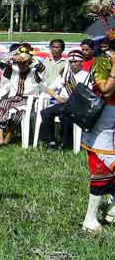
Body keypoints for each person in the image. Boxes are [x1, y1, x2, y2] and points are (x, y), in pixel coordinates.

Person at [80, 39, 115, 233]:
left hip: (113, 122)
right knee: (102, 169)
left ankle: (112, 209)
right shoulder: (103, 61)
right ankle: (90, 219)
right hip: (102, 124)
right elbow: (106, 91)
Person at [0, 44, 45, 148]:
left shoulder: (35, 72)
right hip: (13, 98)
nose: (21, 65)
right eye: (19, 64)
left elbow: (41, 67)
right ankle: (0, 139)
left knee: (15, 112)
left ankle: (8, 138)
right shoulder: (13, 70)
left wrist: (28, 57)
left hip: (28, 100)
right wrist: (13, 57)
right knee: (0, 108)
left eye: (24, 63)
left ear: (29, 63)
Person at [38, 50, 91, 149]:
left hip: (78, 105)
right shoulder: (65, 75)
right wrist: (57, 97)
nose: (73, 64)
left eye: (75, 62)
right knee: (45, 112)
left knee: (64, 116)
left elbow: (87, 94)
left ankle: (65, 143)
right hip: (62, 103)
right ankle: (51, 141)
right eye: (71, 62)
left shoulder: (86, 76)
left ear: (81, 62)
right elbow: (49, 89)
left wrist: (70, 99)